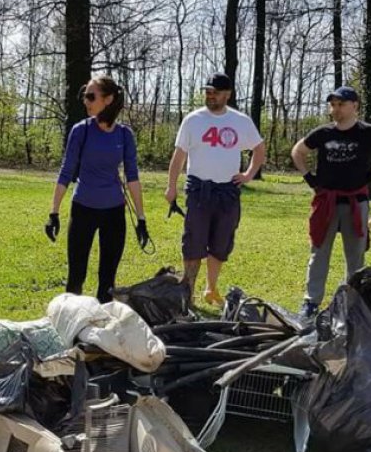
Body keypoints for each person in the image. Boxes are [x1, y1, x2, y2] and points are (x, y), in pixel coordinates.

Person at [291, 85, 371, 319]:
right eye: (333, 104)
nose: (336, 109)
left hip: (356, 201)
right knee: (319, 252)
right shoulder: (323, 133)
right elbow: (298, 151)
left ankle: (353, 302)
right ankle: (311, 302)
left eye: (341, 104)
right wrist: (309, 177)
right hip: (327, 202)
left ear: (355, 106)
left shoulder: (368, 132)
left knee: (355, 255)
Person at [165, 73, 265, 306]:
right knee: (193, 242)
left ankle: (211, 288)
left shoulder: (241, 121)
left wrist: (249, 174)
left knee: (221, 242)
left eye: (216, 92)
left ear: (227, 94)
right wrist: (171, 186)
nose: (210, 96)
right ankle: (187, 293)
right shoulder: (193, 120)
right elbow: (179, 155)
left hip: (227, 192)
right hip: (199, 189)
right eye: (208, 92)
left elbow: (259, 149)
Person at [47, 76, 148, 303]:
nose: (86, 101)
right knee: (76, 278)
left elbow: (132, 177)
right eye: (85, 95)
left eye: (91, 96)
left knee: (107, 282)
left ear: (108, 99)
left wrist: (141, 219)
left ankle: (102, 332)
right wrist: (53, 212)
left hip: (114, 212)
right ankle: (72, 326)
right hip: (83, 208)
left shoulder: (124, 135)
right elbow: (66, 171)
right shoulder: (80, 131)